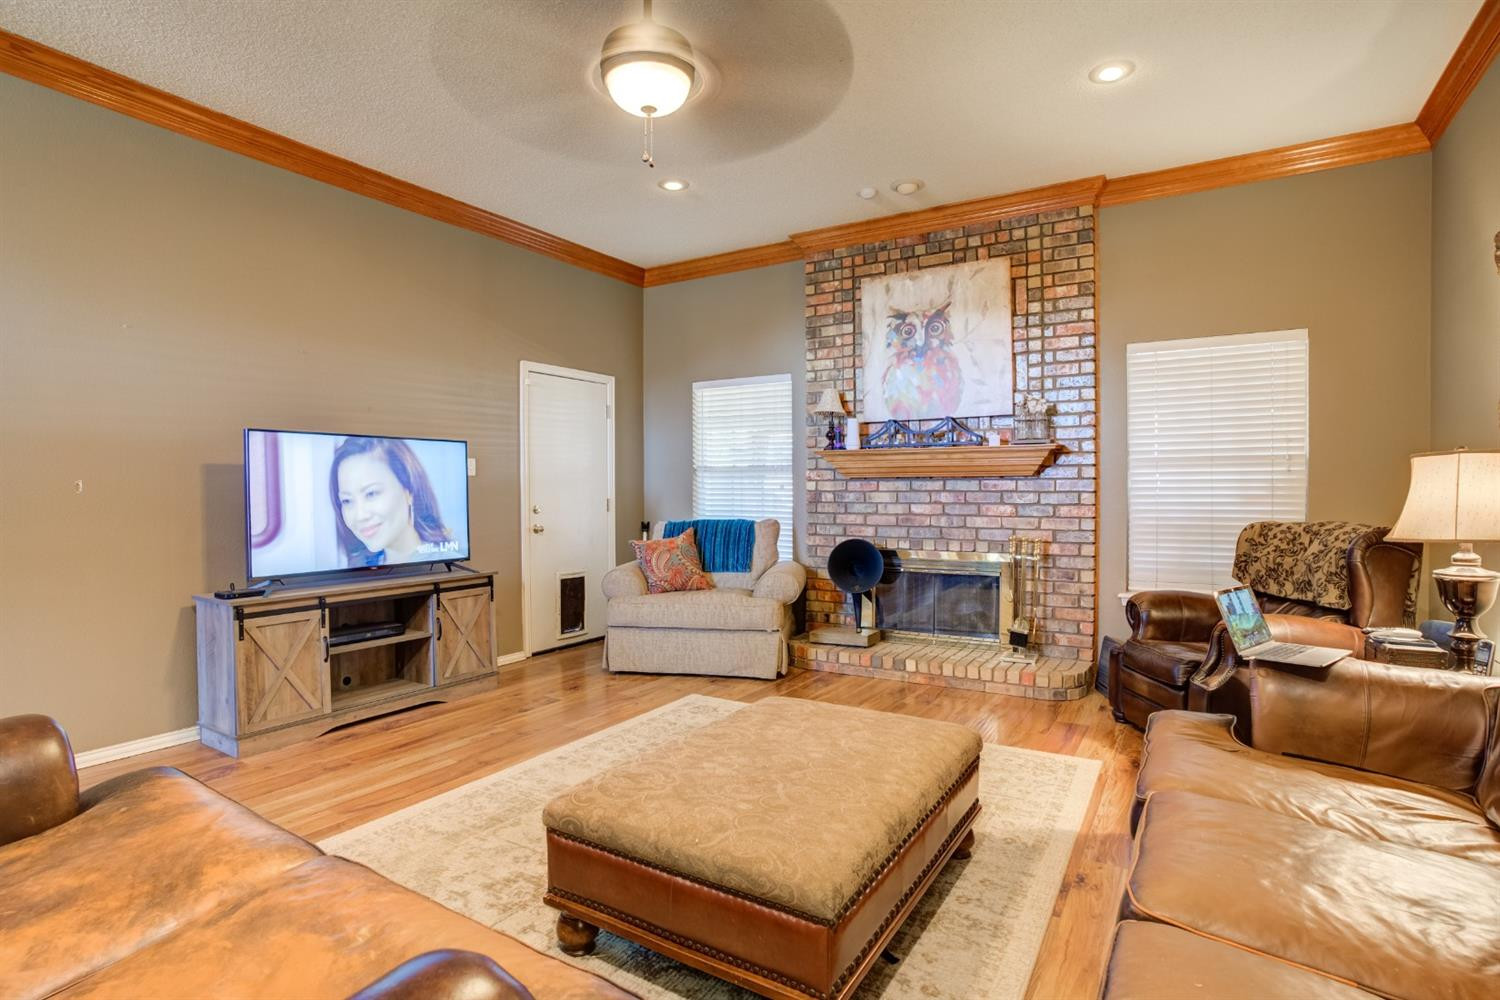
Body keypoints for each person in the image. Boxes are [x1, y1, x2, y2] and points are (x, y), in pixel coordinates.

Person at [329, 437, 452, 567]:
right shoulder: (358, 566)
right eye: (347, 501)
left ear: (409, 490)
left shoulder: (444, 562)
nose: (360, 516)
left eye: (371, 493)